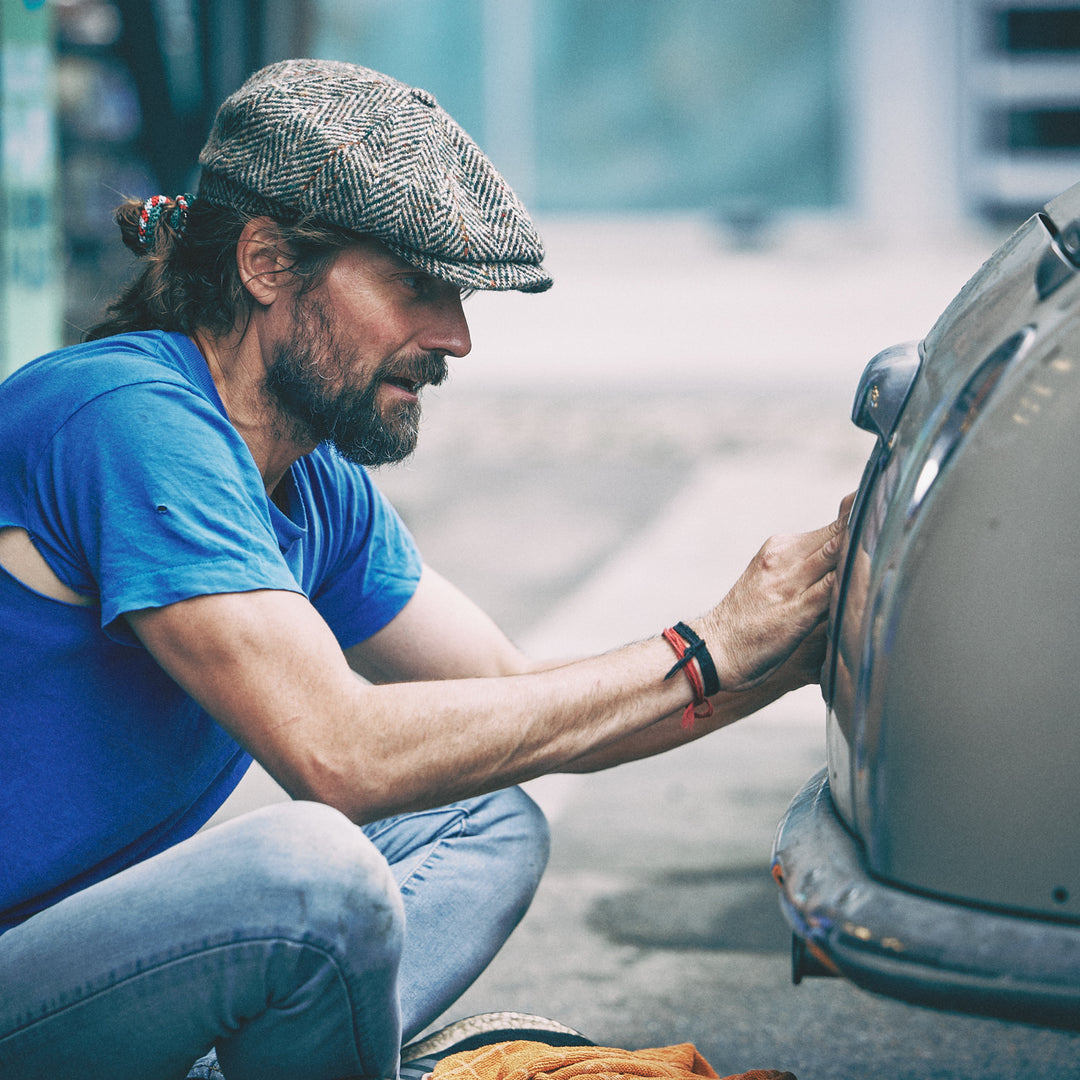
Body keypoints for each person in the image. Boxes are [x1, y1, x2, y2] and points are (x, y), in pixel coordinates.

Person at [0, 59, 847, 1080]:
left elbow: (524, 709)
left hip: (67, 979)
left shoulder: (310, 481)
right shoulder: (125, 418)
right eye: (416, 285)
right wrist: (706, 643)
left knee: (489, 814)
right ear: (267, 264)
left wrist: (798, 648)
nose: (455, 337)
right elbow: (337, 754)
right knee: (311, 875)